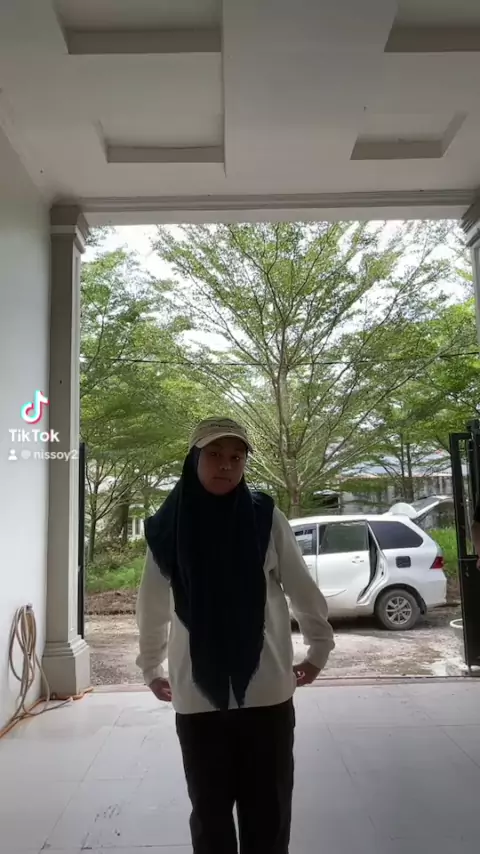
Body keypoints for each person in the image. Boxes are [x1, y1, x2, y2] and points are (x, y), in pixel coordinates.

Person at [136, 417, 334, 854]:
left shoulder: (265, 517)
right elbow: (151, 606)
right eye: (214, 454)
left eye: (236, 457)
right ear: (194, 458)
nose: (226, 465)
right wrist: (150, 666)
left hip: (266, 688)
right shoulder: (167, 527)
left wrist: (318, 648)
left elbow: (301, 588)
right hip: (197, 693)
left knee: (269, 813)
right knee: (210, 815)